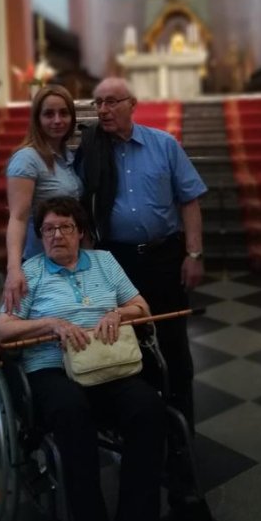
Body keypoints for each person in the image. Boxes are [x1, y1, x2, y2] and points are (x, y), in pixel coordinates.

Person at [0, 196, 167, 521]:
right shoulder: (30, 272)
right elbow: (4, 329)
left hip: (106, 365)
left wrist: (118, 313)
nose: (57, 235)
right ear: (40, 236)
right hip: (51, 369)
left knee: (148, 409)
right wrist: (51, 324)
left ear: (81, 233)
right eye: (48, 229)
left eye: (65, 227)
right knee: (72, 413)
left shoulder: (105, 262)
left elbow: (142, 307)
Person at [77, 77, 207, 431]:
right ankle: (139, 426)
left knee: (173, 342)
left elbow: (190, 200)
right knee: (124, 342)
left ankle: (181, 430)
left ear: (132, 104)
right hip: (116, 260)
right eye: (98, 103)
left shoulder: (164, 145)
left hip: (163, 257)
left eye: (111, 102)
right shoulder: (91, 151)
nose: (103, 110)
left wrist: (194, 254)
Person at [3, 85, 83, 309]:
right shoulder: (27, 159)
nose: (57, 120)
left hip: (68, 258)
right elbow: (17, 217)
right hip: (41, 260)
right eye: (49, 114)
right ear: (37, 119)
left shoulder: (66, 156)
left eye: (64, 113)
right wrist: (14, 269)